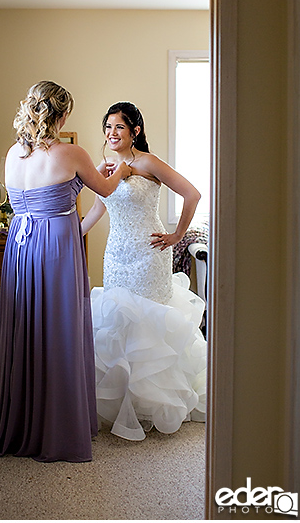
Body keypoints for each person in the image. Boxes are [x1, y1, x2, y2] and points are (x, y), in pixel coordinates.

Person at [0, 81, 132, 463]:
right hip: (56, 246)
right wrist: (122, 169)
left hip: (20, 244)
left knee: (27, 329)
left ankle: (22, 424)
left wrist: (86, 174)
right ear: (61, 115)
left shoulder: (14, 154)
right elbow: (107, 189)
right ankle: (58, 429)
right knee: (59, 331)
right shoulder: (72, 152)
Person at [80, 102, 207, 440]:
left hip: (149, 255)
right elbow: (96, 210)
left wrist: (177, 234)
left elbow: (192, 193)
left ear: (134, 130)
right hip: (116, 256)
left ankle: (155, 405)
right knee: (119, 324)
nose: (111, 133)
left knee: (148, 326)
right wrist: (70, 234)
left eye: (118, 127)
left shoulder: (147, 162)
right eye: (107, 127)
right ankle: (123, 404)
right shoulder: (105, 166)